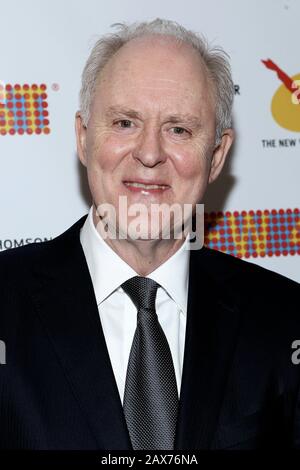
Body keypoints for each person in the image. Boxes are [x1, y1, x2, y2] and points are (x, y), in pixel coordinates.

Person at [0, 18, 299, 451]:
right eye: (124, 123)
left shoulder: (284, 319)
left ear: (216, 157)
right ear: (83, 138)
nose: (149, 153)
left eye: (179, 129)